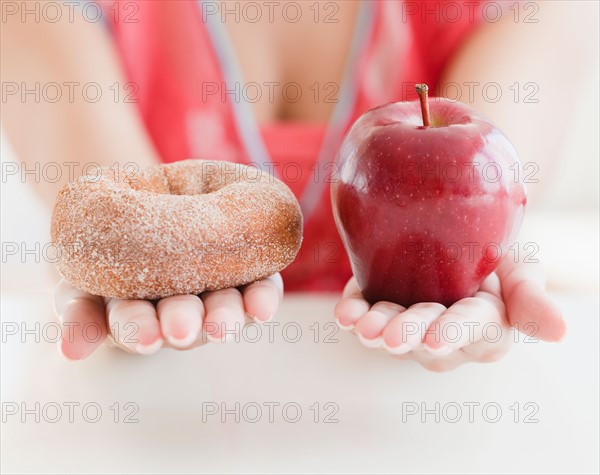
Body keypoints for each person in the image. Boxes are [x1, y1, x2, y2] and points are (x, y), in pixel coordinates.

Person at [4, 0, 590, 371]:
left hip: (401, 419)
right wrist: (121, 278)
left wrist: (469, 269)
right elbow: (108, 219)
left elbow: (482, 184)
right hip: (157, 420)